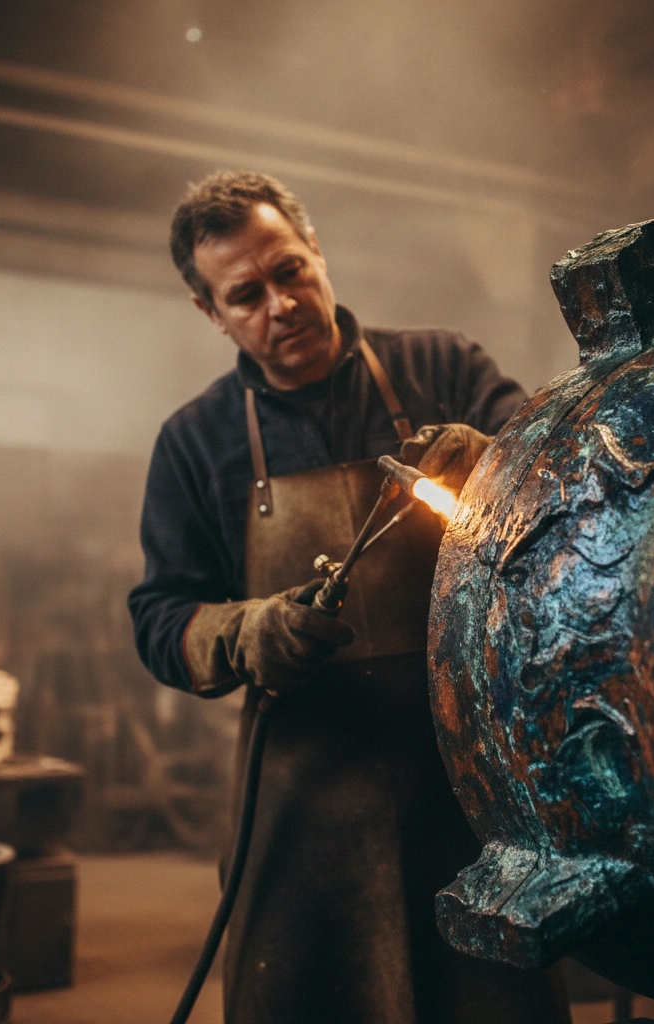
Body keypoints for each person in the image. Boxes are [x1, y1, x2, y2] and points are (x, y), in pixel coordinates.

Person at [129, 171, 570, 1024]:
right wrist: (243, 631)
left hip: (467, 781)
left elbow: (562, 481)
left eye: (289, 271)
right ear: (210, 313)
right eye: (246, 295)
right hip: (304, 793)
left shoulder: (443, 366)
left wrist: (495, 457)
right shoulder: (195, 441)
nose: (280, 304)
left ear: (317, 251)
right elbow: (158, 616)